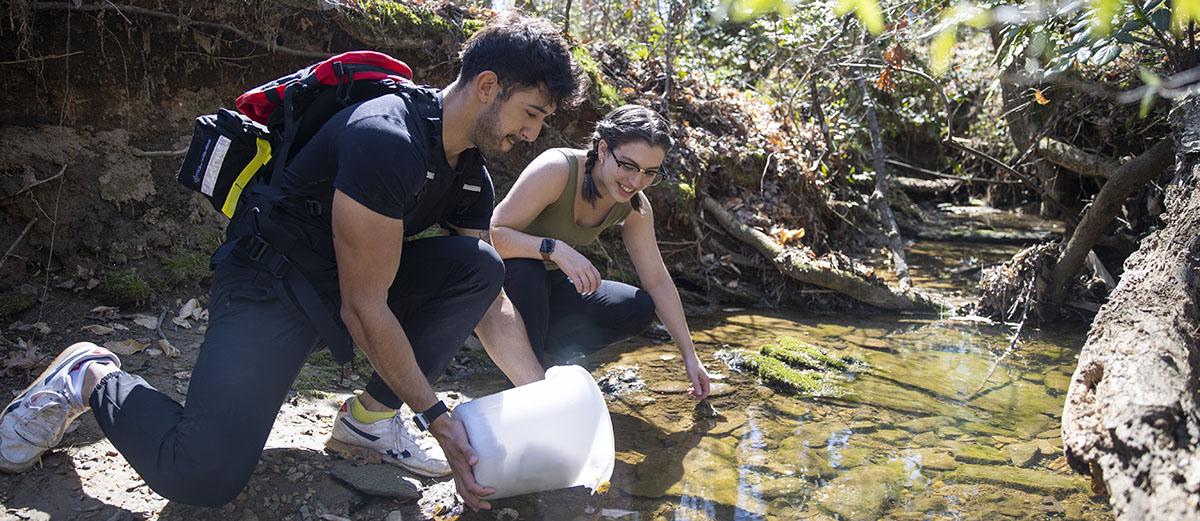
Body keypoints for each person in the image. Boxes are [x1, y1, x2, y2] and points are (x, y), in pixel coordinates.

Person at [0, 12, 581, 512]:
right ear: (487, 86)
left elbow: (490, 300)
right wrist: (439, 418)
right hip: (270, 284)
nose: (531, 133)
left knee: (479, 265)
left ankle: (370, 423)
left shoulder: (469, 175)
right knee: (199, 475)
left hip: (349, 285)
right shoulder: (388, 136)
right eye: (530, 113)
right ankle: (89, 374)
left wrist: (543, 401)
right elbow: (364, 305)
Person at [490, 105, 711, 400]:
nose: (635, 182)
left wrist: (689, 355)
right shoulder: (557, 169)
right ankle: (524, 382)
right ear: (604, 149)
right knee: (528, 271)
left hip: (552, 290)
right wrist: (555, 250)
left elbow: (656, 279)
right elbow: (492, 235)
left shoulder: (635, 206)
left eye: (649, 173)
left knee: (638, 307)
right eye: (629, 166)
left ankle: (545, 360)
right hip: (503, 286)